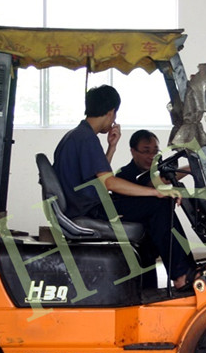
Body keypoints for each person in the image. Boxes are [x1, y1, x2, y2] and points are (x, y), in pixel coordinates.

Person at [53, 86, 196, 290]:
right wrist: (156, 191)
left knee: (152, 207)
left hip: (85, 206)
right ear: (111, 112)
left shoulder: (76, 136)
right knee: (159, 204)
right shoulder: (86, 138)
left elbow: (97, 177)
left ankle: (164, 275)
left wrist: (111, 147)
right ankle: (181, 276)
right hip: (91, 210)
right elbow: (109, 182)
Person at [113, 130, 192, 289]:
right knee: (162, 204)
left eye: (155, 151)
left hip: (149, 228)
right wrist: (187, 170)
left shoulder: (150, 173)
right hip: (128, 223)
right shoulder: (125, 174)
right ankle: (181, 274)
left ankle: (187, 269)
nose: (151, 156)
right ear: (133, 151)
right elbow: (154, 183)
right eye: (146, 151)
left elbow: (159, 180)